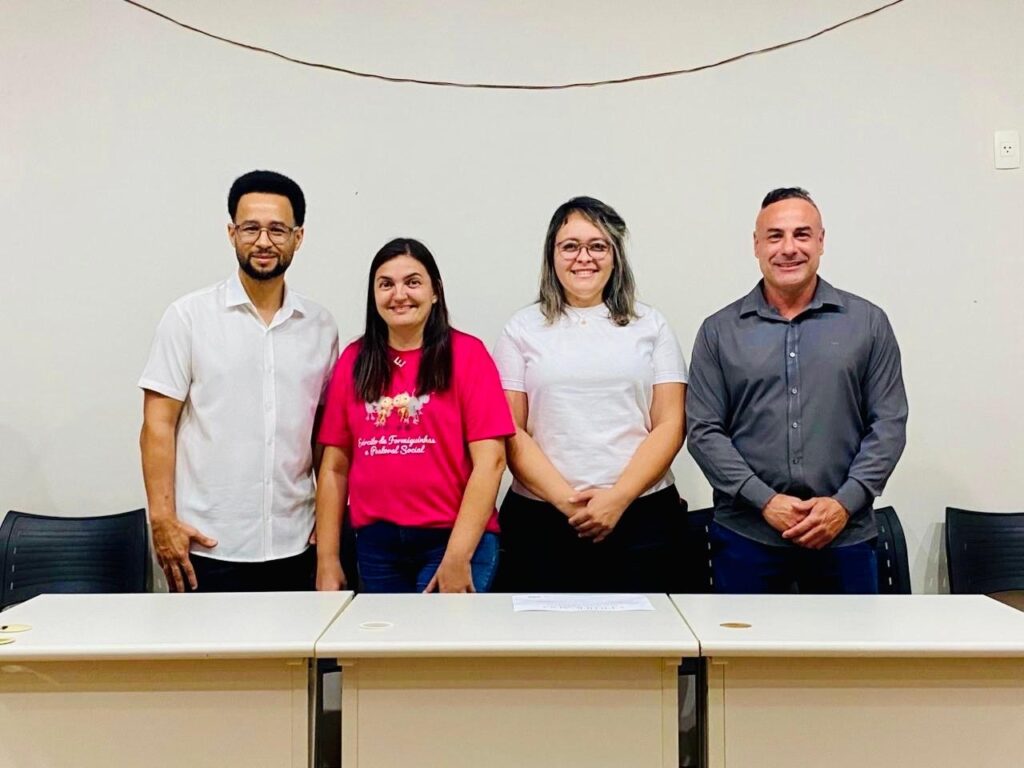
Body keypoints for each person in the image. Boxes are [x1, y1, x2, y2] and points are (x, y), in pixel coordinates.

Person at [686, 187, 908, 594]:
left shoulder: (868, 323)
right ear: (756, 245)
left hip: (845, 536)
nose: (788, 248)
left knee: (848, 658)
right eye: (775, 236)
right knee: (744, 660)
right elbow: (703, 431)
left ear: (821, 241)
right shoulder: (719, 331)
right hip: (747, 537)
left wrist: (843, 503)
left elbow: (889, 424)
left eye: (802, 235)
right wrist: (766, 501)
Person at [139, 170, 338, 592]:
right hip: (207, 546)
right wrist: (162, 521)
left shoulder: (320, 326)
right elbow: (158, 425)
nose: (263, 241)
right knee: (212, 660)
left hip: (296, 543)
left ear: (298, 237)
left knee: (292, 659)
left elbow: (324, 435)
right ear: (232, 233)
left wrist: (329, 523)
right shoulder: (188, 317)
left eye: (277, 229)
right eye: (251, 228)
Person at [493, 196, 688, 592]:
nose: (584, 257)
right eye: (570, 246)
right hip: (542, 520)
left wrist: (617, 498)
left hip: (641, 516)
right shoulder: (521, 328)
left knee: (643, 647)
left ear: (615, 256)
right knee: (547, 647)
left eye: (598, 246)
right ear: (552, 256)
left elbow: (670, 423)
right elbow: (510, 430)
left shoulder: (651, 324)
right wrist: (568, 503)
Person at [315, 238, 514, 593]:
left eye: (413, 282)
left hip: (453, 540)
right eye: (386, 284)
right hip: (376, 544)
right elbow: (334, 467)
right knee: (383, 647)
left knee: (436, 645)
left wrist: (457, 556)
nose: (399, 294)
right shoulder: (354, 360)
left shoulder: (467, 356)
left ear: (435, 292)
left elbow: (492, 462)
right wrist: (327, 560)